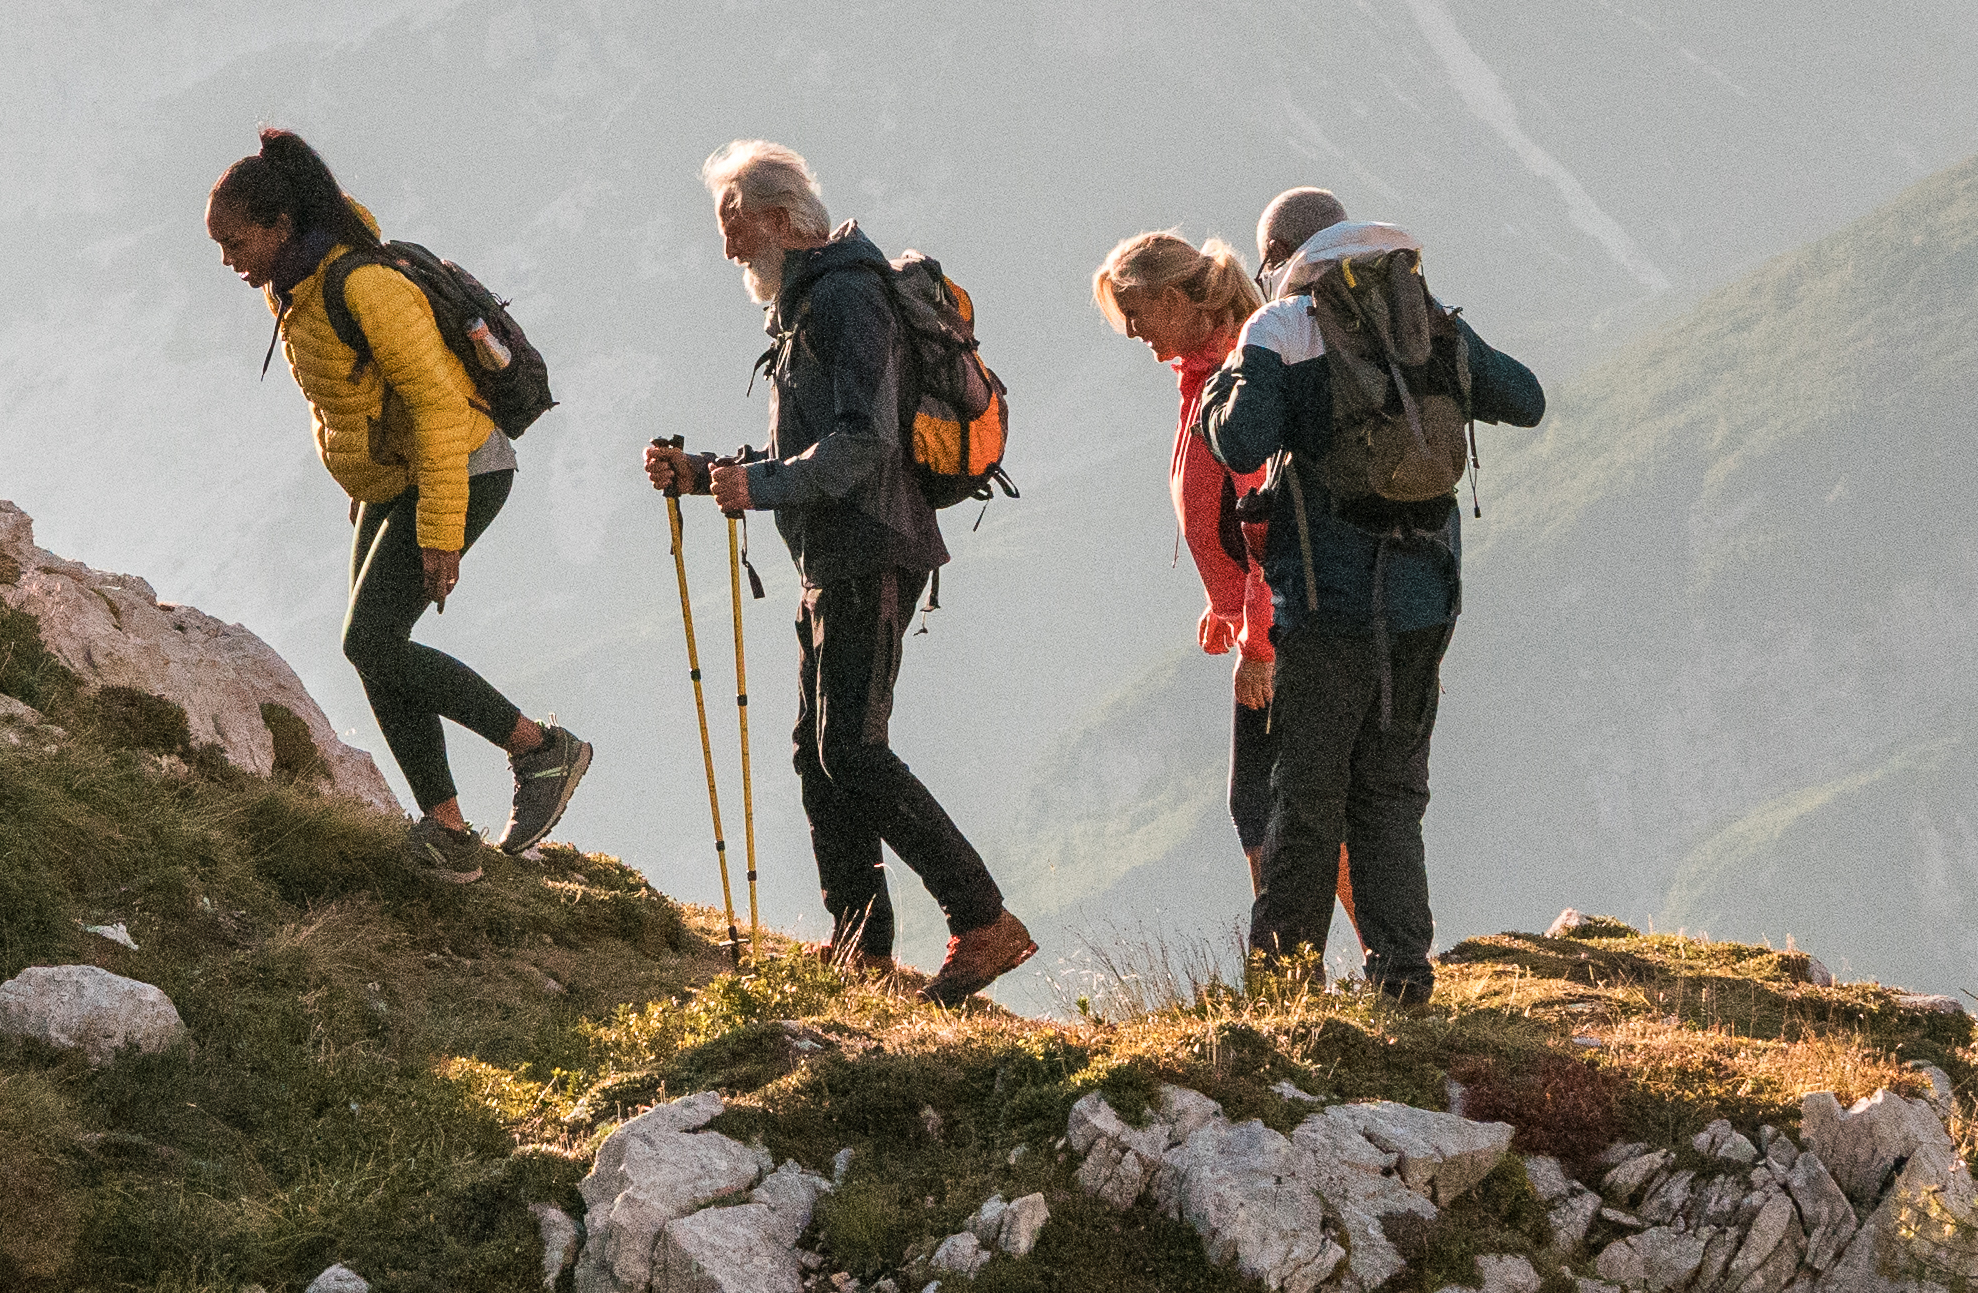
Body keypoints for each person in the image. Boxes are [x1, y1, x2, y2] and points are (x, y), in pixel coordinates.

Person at [642, 141, 1031, 1004]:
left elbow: (866, 441)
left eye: (735, 224)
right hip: (835, 551)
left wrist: (762, 486)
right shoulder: (808, 304)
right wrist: (703, 473)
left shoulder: (846, 297)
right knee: (819, 754)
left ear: (783, 220)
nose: (726, 246)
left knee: (849, 749)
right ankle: (860, 945)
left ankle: (983, 921)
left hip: (871, 544)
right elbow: (805, 451)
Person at [207, 127, 594, 868]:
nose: (228, 262)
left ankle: (541, 750)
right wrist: (366, 487)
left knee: (370, 640)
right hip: (397, 480)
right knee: (375, 652)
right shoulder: (294, 291)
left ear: (280, 224)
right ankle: (448, 830)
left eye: (235, 243)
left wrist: (441, 530)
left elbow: (439, 409)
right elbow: (353, 399)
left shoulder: (364, 287)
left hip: (464, 469)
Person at [1200, 186, 1547, 1006]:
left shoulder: (1283, 327)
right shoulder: (1426, 315)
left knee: (1306, 793)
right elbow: (1526, 400)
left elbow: (1241, 442)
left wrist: (1223, 388)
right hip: (1426, 599)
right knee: (1392, 790)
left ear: (1279, 257)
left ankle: (1282, 986)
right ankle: (1402, 978)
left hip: (1329, 602)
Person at [1093, 229, 1282, 888]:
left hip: (1281, 625)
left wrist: (1257, 640)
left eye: (1135, 312)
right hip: (1264, 616)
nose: (1131, 330)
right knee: (1280, 802)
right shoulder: (1203, 377)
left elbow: (1267, 517)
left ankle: (1291, 945)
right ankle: (1329, 941)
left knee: (1261, 806)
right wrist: (1223, 601)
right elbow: (1222, 513)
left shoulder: (1233, 379)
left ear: (1174, 299)